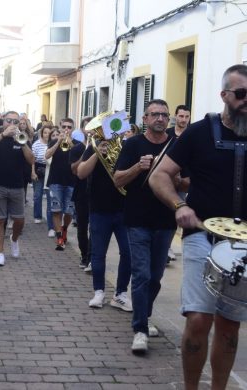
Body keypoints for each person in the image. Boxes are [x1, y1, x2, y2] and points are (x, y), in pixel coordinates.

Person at [149, 64, 247, 390]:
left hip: (242, 245)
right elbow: (159, 176)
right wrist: (180, 206)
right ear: (224, 95)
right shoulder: (200, 131)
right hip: (201, 236)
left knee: (230, 325)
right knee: (199, 318)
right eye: (242, 94)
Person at [113, 99, 177, 354]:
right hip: (137, 219)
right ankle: (139, 329)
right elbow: (118, 180)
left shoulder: (176, 146)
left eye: (164, 114)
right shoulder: (132, 144)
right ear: (145, 119)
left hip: (166, 220)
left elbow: (186, 182)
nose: (160, 119)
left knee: (156, 277)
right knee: (141, 275)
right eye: (155, 115)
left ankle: (144, 316)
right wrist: (138, 167)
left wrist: (175, 177)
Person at [76, 117, 132, 311]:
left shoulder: (128, 147)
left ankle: (120, 294)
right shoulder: (95, 146)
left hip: (125, 209)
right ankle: (98, 292)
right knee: (98, 254)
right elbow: (81, 173)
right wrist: (97, 154)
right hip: (99, 208)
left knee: (128, 252)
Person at [0, 111, 34, 266]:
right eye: (9, 120)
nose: (12, 124)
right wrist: (3, 135)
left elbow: (31, 159)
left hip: (17, 185)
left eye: (15, 121)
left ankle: (14, 239)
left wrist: (22, 143)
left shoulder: (22, 138)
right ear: (3, 122)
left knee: (19, 220)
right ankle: (0, 253)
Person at [165, 104, 191, 263]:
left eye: (186, 116)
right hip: (165, 179)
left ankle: (167, 246)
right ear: (175, 117)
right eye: (181, 116)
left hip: (183, 181)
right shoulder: (167, 134)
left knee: (176, 214)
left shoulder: (192, 134)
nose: (183, 119)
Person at [45, 118, 76, 250]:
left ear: (72, 128)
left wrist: (72, 145)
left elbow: (80, 159)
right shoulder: (53, 141)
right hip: (55, 180)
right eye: (64, 127)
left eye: (69, 127)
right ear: (60, 126)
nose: (66, 129)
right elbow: (46, 156)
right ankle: (59, 237)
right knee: (56, 210)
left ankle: (64, 229)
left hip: (71, 181)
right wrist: (58, 141)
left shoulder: (77, 143)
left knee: (69, 211)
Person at [69, 116, 92, 269]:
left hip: (96, 192)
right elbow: (74, 170)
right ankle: (84, 255)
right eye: (87, 126)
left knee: (95, 228)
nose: (90, 130)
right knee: (82, 227)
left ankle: (92, 257)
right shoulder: (77, 148)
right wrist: (87, 152)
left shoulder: (102, 146)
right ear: (83, 129)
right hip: (81, 191)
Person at [31, 125, 51, 226]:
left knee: (49, 196)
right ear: (42, 134)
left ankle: (50, 217)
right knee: (37, 195)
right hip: (39, 169)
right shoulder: (36, 144)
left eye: (49, 132)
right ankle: (37, 216)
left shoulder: (53, 143)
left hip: (50, 171)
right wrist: (33, 172)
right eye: (45, 132)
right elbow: (32, 160)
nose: (47, 135)